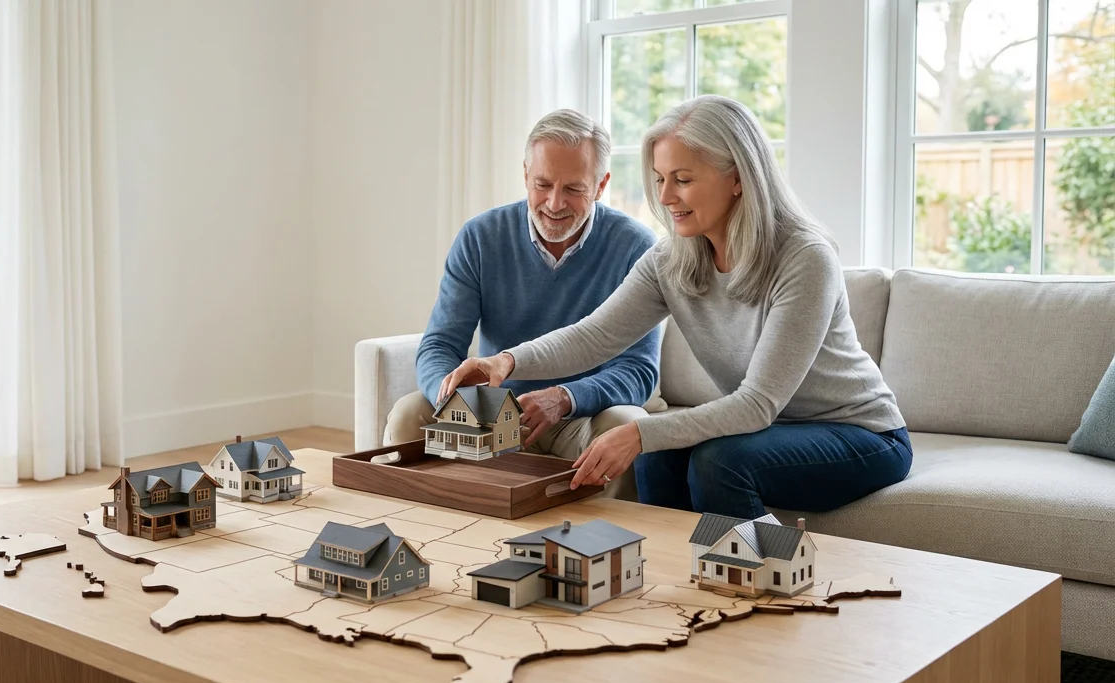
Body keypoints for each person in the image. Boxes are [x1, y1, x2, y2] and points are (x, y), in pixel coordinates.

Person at [435, 95, 912, 519]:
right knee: (658, 454)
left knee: (715, 462)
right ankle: (672, 590)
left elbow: (758, 405)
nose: (664, 197)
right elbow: (594, 336)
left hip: (860, 436)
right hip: (768, 430)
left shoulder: (804, 258)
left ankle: (766, 585)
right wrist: (505, 361)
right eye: (661, 179)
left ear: (738, 179)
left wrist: (642, 432)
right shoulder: (671, 258)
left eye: (682, 179)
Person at [385, 108, 663, 499]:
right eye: (542, 184)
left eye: (574, 189)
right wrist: (460, 404)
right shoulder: (481, 237)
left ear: (601, 185)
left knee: (626, 424)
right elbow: (440, 345)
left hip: (582, 416)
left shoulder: (636, 247)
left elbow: (638, 372)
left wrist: (564, 399)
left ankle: (599, 544)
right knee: (408, 414)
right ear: (525, 175)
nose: (554, 203)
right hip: (494, 411)